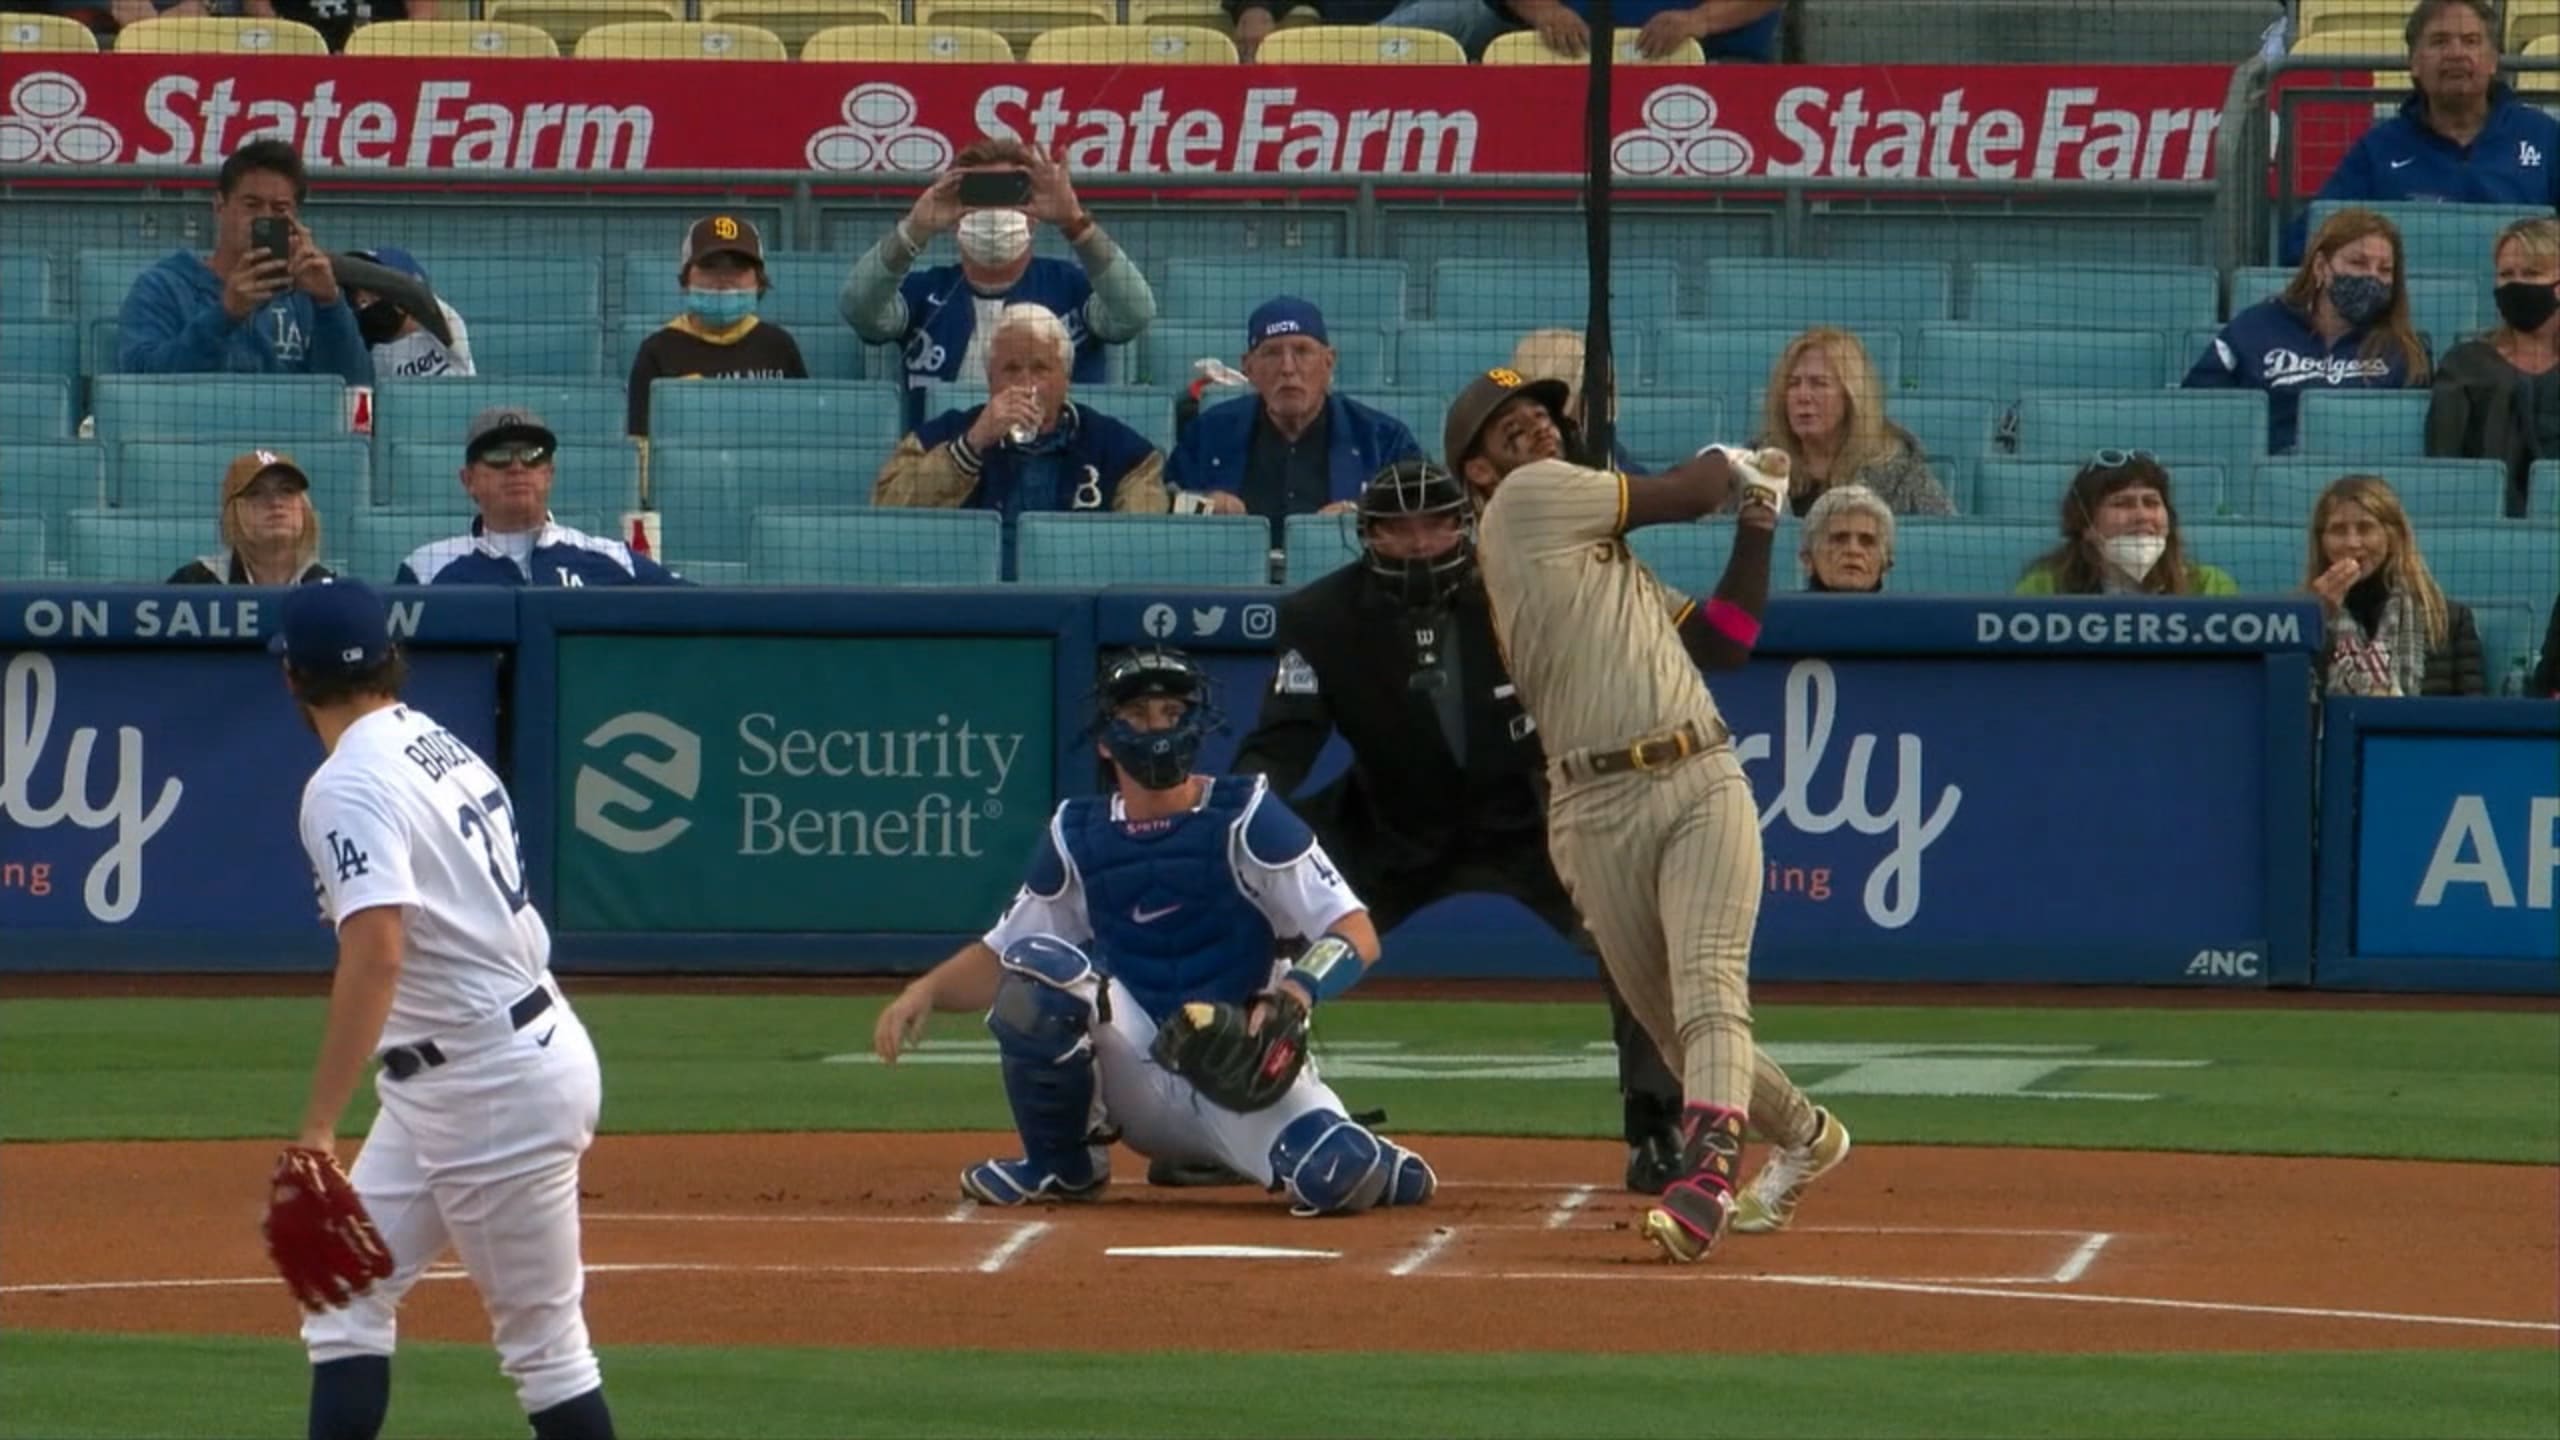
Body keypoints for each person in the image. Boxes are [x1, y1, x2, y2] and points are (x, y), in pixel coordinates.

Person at [1448, 366, 1849, 1261]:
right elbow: (1690, 488)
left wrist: (1761, 521)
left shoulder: (1596, 556)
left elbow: (1727, 642)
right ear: (1477, 470)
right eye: (1506, 425)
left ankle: (1708, 1173)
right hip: (1589, 806)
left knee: (1707, 988)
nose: (1535, 428)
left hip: (1696, 773)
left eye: (1543, 416)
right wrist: (1740, 467)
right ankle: (1811, 1134)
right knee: (1672, 1029)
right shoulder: (1526, 506)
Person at [1231, 459, 1688, 1194]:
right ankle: (1232, 1119)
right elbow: (1284, 741)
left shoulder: (1530, 596)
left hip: (1531, 819)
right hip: (1389, 820)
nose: (1418, 542)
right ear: (1367, 535)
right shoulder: (1318, 618)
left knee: (1639, 929)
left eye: (1434, 523)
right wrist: (1233, 817)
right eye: (1397, 528)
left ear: (1464, 526)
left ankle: (1657, 1125)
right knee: (1249, 903)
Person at [872, 648, 1436, 1217]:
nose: (1157, 726)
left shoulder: (1246, 815)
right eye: (1139, 714)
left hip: (1236, 1066)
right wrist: (923, 992)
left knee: (1337, 1177)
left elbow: (1355, 930)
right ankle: (1061, 1167)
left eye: (1171, 710)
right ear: (1105, 737)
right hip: (1136, 1070)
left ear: (1197, 723)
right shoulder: (1077, 832)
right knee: (1037, 967)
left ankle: (1374, 1160)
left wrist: (1295, 994)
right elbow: (999, 958)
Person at [267, 578, 614, 1440]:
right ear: (392, 659)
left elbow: (377, 950)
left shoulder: (345, 783)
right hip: (464, 1070)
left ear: (290, 679)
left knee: (546, 1351)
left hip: (492, 1084)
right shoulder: (431, 739)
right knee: (345, 1301)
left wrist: (316, 1129)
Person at [841, 140, 1156, 432]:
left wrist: (1073, 221)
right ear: (957, 217)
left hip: (1055, 457)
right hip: (942, 460)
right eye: (980, 198)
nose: (994, 212)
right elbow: (859, 310)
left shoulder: (1070, 285)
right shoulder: (925, 291)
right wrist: (915, 229)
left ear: (1033, 217)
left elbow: (1135, 313)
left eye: (1008, 198)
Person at [874, 303, 1166, 578]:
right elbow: (887, 509)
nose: (1026, 383)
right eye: (1011, 369)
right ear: (990, 378)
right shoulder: (944, 433)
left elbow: (1139, 547)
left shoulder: (1123, 452)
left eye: (1040, 369)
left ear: (1066, 378)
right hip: (967, 597)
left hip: (1077, 599)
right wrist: (970, 446)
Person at [2283, 0, 2560, 264]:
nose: (2456, 53)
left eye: (2471, 41)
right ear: (2414, 62)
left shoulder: (2544, 137)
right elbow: (2305, 242)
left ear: (2493, 61)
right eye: (2439, 42)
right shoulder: (2379, 149)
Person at [116, 139, 370, 385]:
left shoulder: (306, 292)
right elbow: (138, 378)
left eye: (280, 209)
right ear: (219, 206)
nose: (264, 217)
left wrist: (330, 305)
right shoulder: (163, 286)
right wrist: (224, 315)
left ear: (295, 217)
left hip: (291, 428)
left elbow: (354, 388)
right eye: (252, 204)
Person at [2187, 206, 2431, 453]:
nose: (2372, 277)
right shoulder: (2255, 328)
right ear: (2321, 267)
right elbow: (2201, 412)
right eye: (2358, 263)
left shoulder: (2405, 350)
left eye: (2385, 269)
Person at [1167, 298, 1424, 519]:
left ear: (1329, 361)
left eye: (1302, 351)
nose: (1288, 368)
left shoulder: (1383, 439)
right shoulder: (1209, 433)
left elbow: (1424, 509)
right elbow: (1164, 503)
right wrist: (1205, 505)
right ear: (1248, 367)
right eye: (1271, 353)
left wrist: (1361, 513)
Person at [394, 408, 682, 586]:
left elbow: (701, 610)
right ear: (468, 480)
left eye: (532, 456)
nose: (517, 467)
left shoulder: (613, 559)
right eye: (499, 455)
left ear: (549, 474)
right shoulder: (425, 569)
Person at [626, 216, 808, 439]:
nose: (723, 281)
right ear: (685, 279)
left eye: (738, 270)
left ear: (759, 281)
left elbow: (801, 433)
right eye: (709, 268)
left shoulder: (779, 346)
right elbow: (640, 441)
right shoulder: (657, 351)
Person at [2304, 474, 2486, 696]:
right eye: (2339, 530)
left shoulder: (2450, 621)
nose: (2352, 543)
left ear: (2393, 535)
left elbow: (2472, 717)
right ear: (2321, 541)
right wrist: (2314, 621)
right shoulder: (2294, 624)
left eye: (2365, 528)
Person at [2426, 217, 2560, 517]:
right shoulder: (2465, 364)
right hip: (2480, 521)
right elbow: (2445, 464)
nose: (2515, 284)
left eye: (2532, 273)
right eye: (2506, 274)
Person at [1746, 328, 1951, 516]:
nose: (1803, 396)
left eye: (1819, 384)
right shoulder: (1755, 466)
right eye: (1793, 384)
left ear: (1851, 396)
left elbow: (1948, 541)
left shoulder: (1900, 474)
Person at [2015, 452, 2240, 596]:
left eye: (2151, 503)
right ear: (2085, 525)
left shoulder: (2210, 587)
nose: (2142, 516)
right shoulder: (2044, 589)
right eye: (2122, 504)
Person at [1382, 0, 1780, 61]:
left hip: (1699, 60)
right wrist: (1543, 8)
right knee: (1435, 17)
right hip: (1556, 49)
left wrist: (1700, 20)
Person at [167, 449, 334, 585]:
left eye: (287, 490)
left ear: (304, 507)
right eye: (256, 493)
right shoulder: (194, 584)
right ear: (233, 512)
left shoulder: (330, 591)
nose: (275, 502)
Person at [1509, 328, 1640, 473]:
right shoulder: (1516, 461)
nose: (1606, 399)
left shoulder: (1608, 446)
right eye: (1596, 387)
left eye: (1608, 387)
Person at [343, 248, 474, 381]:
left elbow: (420, 297)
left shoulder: (446, 324)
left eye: (371, 289)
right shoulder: (371, 351)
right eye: (355, 292)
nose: (361, 300)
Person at [1799, 484, 1894, 593]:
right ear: (1808, 559)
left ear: (1886, 564)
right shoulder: (1781, 609)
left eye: (1867, 542)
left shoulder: (1907, 610)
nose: (1853, 550)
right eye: (1839, 539)